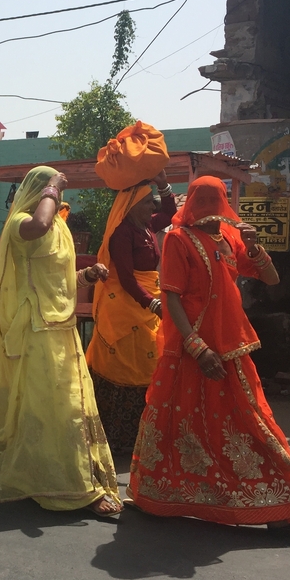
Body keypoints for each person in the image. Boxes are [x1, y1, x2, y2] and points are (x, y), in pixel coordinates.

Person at [126, 177, 290, 535]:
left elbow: (272, 278)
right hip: (191, 351)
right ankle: (159, 494)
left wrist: (252, 246)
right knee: (176, 423)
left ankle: (281, 501)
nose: (211, 209)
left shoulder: (229, 238)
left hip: (231, 347)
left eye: (215, 200)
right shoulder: (177, 238)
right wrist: (196, 347)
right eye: (205, 201)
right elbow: (172, 296)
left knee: (249, 419)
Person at [0, 166, 123, 518]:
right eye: (53, 190)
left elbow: (60, 278)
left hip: (61, 327)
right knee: (53, 407)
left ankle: (54, 471)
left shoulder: (60, 227)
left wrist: (87, 275)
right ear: (41, 190)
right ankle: (68, 484)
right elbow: (40, 227)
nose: (59, 195)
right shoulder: (22, 223)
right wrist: (52, 186)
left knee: (67, 406)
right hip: (34, 329)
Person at [85, 170, 177, 452]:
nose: (154, 207)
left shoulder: (147, 226)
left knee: (150, 364)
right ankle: (118, 437)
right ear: (134, 205)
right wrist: (153, 303)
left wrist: (163, 184)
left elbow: (171, 212)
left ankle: (143, 435)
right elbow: (126, 278)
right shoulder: (123, 233)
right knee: (130, 364)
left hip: (147, 300)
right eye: (149, 202)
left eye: (153, 202)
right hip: (127, 306)